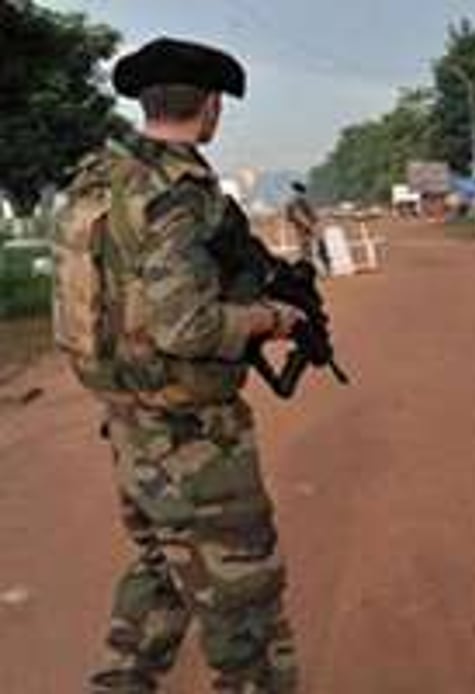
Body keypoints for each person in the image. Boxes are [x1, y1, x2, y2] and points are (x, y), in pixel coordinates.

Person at [52, 37, 302, 692]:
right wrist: (269, 320)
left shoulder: (96, 179)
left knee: (163, 568)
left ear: (147, 102)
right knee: (244, 594)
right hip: (192, 434)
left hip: (129, 422)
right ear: (212, 106)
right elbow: (185, 327)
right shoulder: (176, 195)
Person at [284, 181, 329, 275]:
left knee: (309, 250)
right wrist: (310, 225)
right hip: (306, 229)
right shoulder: (299, 201)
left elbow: (289, 217)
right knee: (310, 250)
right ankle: (320, 270)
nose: (298, 194)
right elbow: (297, 216)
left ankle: (320, 269)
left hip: (304, 229)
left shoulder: (293, 202)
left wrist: (310, 224)